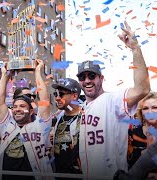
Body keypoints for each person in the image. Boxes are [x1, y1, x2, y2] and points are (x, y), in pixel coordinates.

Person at [77, 21, 150, 179]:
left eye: (92, 76)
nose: (87, 80)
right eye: (82, 77)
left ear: (101, 78)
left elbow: (142, 89)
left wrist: (135, 49)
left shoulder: (112, 100)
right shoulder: (82, 108)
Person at [0, 59, 53, 180]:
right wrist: (5, 75)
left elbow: (44, 100)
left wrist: (37, 72)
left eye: (22, 106)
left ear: (31, 111)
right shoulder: (7, 124)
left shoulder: (40, 126)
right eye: (15, 107)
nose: (17, 109)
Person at [51, 78, 82, 179]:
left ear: (74, 96)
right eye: (56, 94)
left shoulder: (86, 117)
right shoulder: (58, 116)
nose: (57, 98)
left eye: (61, 94)